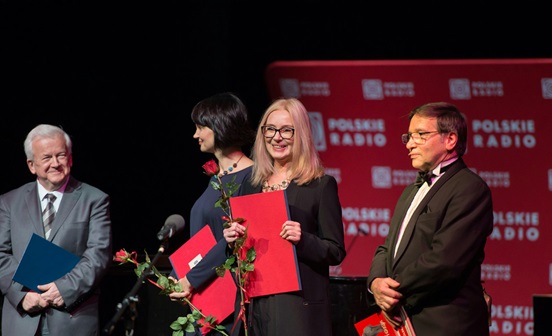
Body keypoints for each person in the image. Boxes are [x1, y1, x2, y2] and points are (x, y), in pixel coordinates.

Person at [367, 102, 493, 336]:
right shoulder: (410, 190)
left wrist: (391, 291)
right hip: (401, 320)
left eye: (420, 135)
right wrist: (375, 283)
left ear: (450, 140)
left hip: (444, 325)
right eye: (409, 136)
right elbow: (387, 248)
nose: (410, 144)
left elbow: (444, 261)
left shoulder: (470, 189)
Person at [223, 97, 347, 336]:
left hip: (297, 307)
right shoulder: (250, 184)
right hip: (256, 304)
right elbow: (244, 251)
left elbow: (335, 251)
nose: (276, 137)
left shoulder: (320, 185)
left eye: (286, 130)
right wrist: (232, 240)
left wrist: (303, 239)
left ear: (300, 134)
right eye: (270, 129)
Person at [0, 124, 112, 336]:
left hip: (72, 317)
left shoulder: (95, 200)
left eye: (61, 155)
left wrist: (65, 289)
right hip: (22, 319)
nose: (55, 163)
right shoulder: (8, 203)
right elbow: (0, 254)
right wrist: (21, 295)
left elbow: (99, 254)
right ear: (31, 165)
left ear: (70, 158)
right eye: (47, 158)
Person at [168, 92, 255, 335]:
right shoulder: (217, 178)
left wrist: (191, 279)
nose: (195, 134)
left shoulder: (251, 178)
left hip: (230, 299)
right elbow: (202, 241)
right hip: (205, 294)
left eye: (200, 127)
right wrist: (180, 276)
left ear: (220, 126)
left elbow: (234, 241)